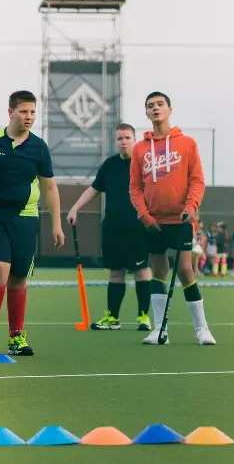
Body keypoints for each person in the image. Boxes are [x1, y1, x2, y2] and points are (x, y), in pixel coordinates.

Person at [0, 90, 65, 357]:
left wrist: (57, 223)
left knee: (18, 277)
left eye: (33, 111)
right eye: (24, 111)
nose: (29, 116)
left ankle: (16, 336)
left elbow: (50, 188)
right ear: (11, 113)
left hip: (25, 218)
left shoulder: (39, 147)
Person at [129, 91, 216, 345]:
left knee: (185, 271)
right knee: (158, 271)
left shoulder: (187, 143)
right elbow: (135, 187)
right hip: (153, 222)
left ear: (169, 109)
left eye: (159, 104)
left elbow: (197, 180)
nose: (155, 109)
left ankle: (202, 329)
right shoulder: (139, 149)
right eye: (150, 106)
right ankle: (160, 330)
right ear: (146, 113)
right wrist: (144, 216)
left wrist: (191, 206)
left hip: (181, 220)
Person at [67, 123, 152, 331]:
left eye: (127, 138)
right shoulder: (110, 165)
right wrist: (75, 208)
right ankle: (112, 318)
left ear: (135, 139)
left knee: (142, 271)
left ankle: (143, 317)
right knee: (116, 273)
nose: (123, 142)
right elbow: (94, 189)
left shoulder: (145, 164)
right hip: (113, 228)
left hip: (138, 228)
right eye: (120, 139)